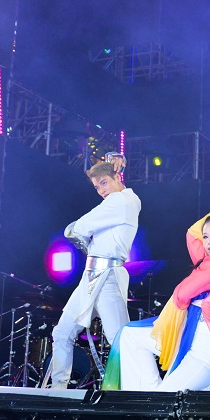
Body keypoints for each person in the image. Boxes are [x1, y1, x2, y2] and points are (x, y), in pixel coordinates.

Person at [102, 211, 210, 391]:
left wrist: (172, 316)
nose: (209, 241)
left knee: (165, 399)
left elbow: (182, 293)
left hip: (204, 351)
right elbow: (192, 235)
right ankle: (146, 397)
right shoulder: (209, 261)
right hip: (188, 336)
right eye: (205, 236)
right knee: (130, 335)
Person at [50, 161, 141, 388]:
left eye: (104, 183)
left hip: (108, 276)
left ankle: (134, 389)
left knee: (119, 339)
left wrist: (75, 232)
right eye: (97, 187)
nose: (101, 190)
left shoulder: (122, 200)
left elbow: (79, 227)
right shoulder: (117, 202)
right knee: (62, 333)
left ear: (117, 177)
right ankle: (58, 388)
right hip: (90, 277)